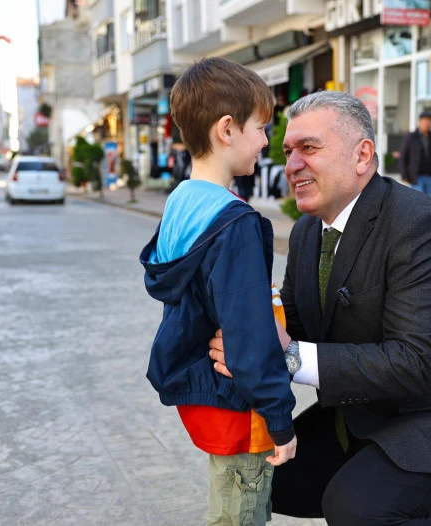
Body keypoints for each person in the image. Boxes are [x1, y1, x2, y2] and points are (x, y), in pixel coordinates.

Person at [209, 91, 431, 525]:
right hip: (369, 410)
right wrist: (239, 330)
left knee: (356, 507)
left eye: (309, 148)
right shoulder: (307, 232)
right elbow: (294, 320)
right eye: (288, 152)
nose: (291, 165)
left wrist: (285, 356)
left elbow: (414, 362)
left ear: (362, 155)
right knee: (267, 475)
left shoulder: (418, 225)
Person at [139, 57, 297, 526]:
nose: (266, 141)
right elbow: (248, 333)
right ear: (227, 129)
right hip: (242, 410)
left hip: (207, 397)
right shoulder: (235, 223)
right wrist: (281, 420)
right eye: (260, 128)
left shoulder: (182, 200)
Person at [398, 111, 431, 197]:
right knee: (419, 201)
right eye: (426, 121)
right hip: (417, 176)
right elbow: (403, 157)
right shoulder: (410, 137)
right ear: (420, 122)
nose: (428, 123)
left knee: (429, 202)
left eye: (430, 121)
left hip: (430, 177)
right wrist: (404, 175)